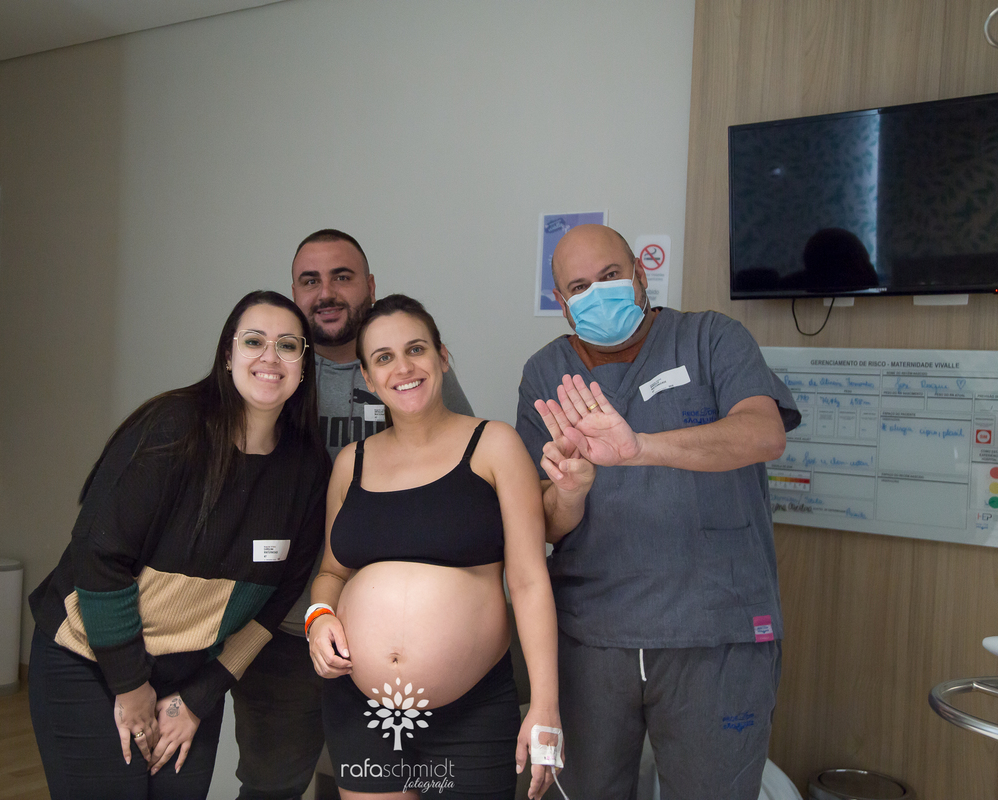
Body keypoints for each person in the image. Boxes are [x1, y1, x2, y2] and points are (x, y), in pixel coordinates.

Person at [516, 224, 800, 800]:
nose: (597, 294)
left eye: (610, 276)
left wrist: (641, 447)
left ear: (640, 276)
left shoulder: (712, 338)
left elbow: (764, 433)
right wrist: (570, 491)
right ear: (563, 305)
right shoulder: (546, 373)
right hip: (591, 639)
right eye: (579, 287)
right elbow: (538, 524)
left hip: (715, 633)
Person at [27, 290, 331, 800]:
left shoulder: (307, 468)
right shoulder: (173, 427)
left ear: (304, 365)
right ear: (227, 355)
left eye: (287, 345)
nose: (270, 357)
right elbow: (99, 556)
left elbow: (277, 602)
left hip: (189, 679)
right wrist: (130, 686)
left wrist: (198, 698)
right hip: (91, 659)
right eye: (253, 341)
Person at [229, 229, 473, 800]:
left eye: (342, 277)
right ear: (294, 292)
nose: (326, 293)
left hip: (392, 633)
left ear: (370, 285)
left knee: (388, 787)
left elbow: (463, 472)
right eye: (310, 281)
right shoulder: (273, 375)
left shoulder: (409, 373)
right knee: (270, 786)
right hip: (281, 629)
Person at [309, 294, 561, 799]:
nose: (403, 368)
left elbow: (529, 580)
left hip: (470, 711)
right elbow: (333, 573)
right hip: (361, 708)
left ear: (442, 356)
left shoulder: (494, 445)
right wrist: (319, 619)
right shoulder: (351, 463)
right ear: (368, 377)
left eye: (416, 349)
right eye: (384, 357)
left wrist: (545, 705)